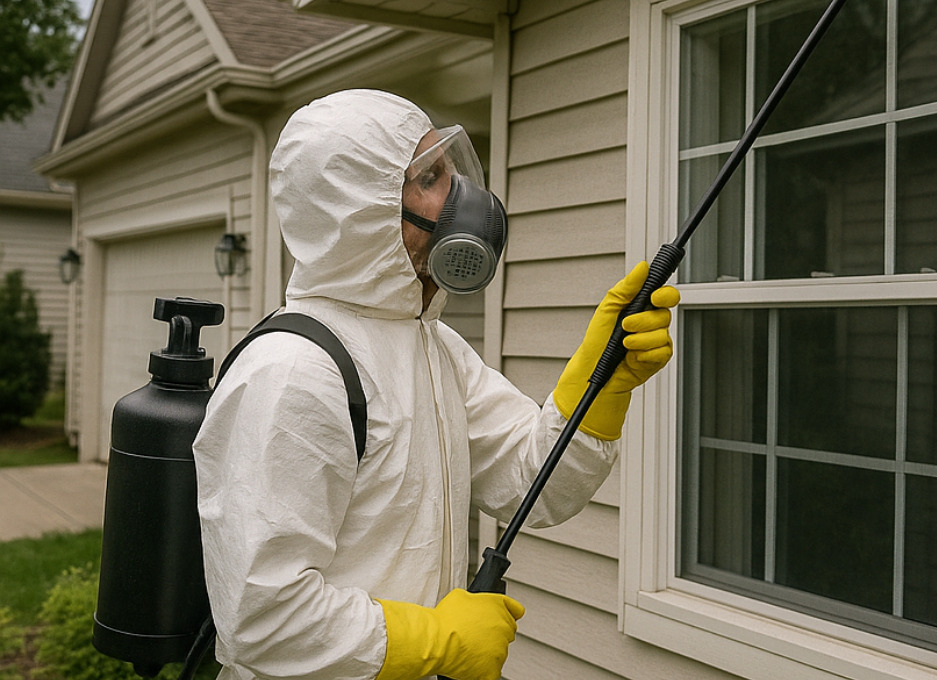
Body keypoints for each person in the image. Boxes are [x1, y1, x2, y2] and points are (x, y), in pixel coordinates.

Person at [192, 89, 679, 680]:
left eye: (451, 168)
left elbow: (531, 481)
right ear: (359, 212)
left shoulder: (432, 346)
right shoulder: (293, 373)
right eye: (430, 176)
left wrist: (600, 385)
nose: (462, 195)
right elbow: (260, 616)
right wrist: (436, 640)